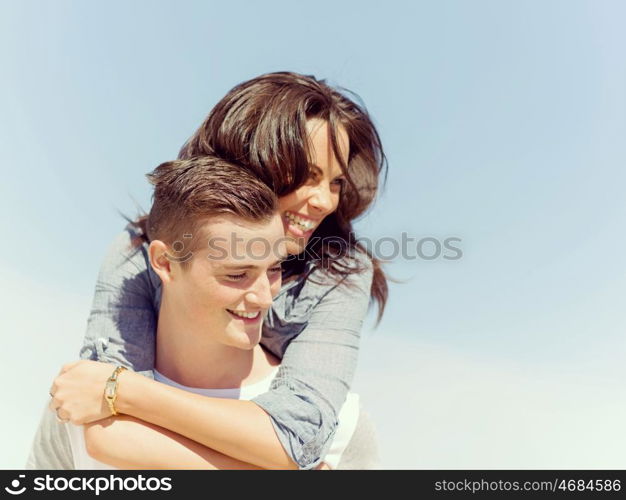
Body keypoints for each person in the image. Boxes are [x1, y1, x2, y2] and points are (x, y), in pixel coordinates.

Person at [43, 72, 388, 470]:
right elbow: (110, 433)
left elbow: (296, 439)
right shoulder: (137, 253)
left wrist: (120, 388)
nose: (324, 202)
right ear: (252, 161)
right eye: (307, 177)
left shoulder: (339, 271)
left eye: (336, 182)